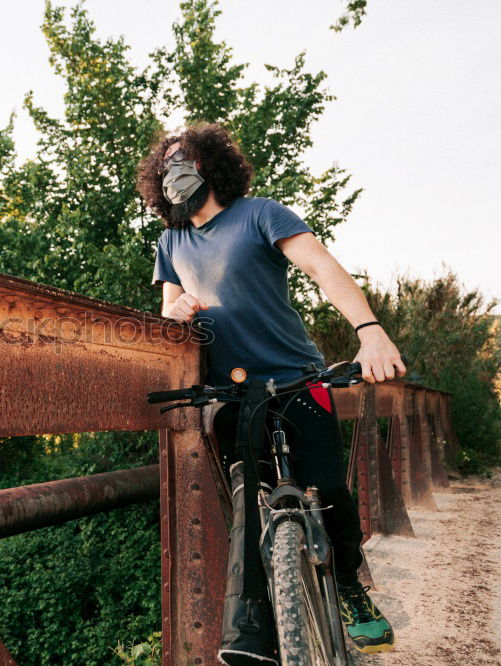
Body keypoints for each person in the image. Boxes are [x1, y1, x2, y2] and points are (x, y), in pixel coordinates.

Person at [136, 122, 403, 662]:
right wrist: (177, 307)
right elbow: (167, 307)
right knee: (247, 508)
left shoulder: (260, 213)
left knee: (327, 490)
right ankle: (253, 635)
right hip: (231, 392)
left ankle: (349, 586)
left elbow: (323, 268)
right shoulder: (171, 241)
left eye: (180, 161)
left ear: (208, 165)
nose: (172, 174)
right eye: (163, 168)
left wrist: (369, 332)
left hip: (297, 376)